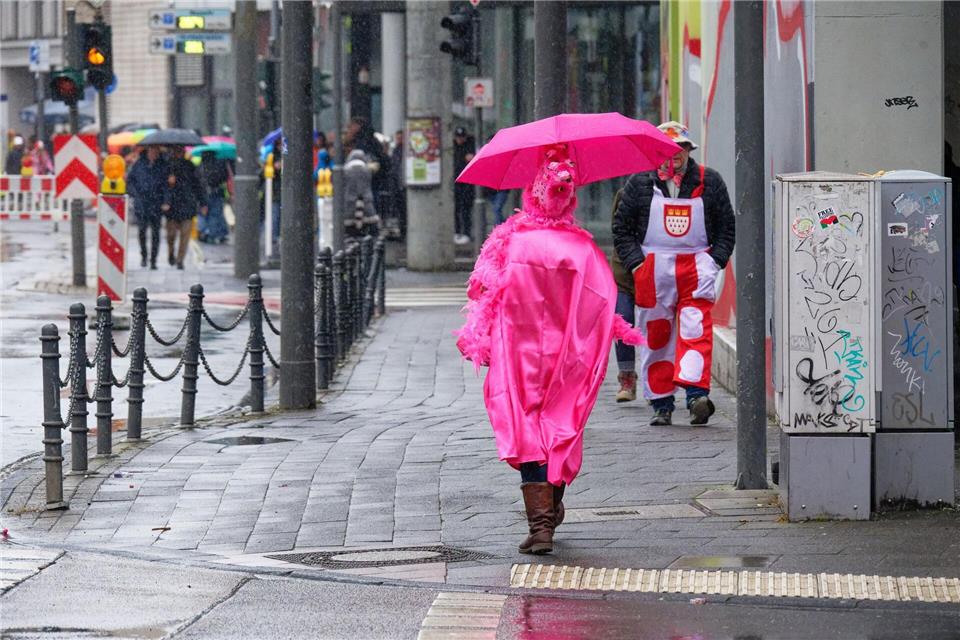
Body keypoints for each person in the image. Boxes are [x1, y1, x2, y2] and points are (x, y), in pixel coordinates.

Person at [456, 144, 644, 555]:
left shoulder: (510, 245)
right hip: (568, 359)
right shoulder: (582, 250)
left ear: (530, 194)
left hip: (517, 359)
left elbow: (482, 294)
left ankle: (541, 526)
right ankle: (551, 506)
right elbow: (603, 304)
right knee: (560, 428)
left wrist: (480, 340)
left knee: (526, 431)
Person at [613, 121, 735, 426]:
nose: (674, 155)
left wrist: (713, 262)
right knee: (656, 335)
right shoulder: (639, 183)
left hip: (696, 267)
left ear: (688, 151)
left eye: (680, 148)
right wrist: (638, 265)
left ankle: (697, 397)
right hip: (653, 270)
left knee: (696, 331)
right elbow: (622, 229)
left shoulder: (711, 181)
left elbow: (726, 229)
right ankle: (661, 403)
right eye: (667, 149)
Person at [608, 189, 638, 401]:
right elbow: (617, 230)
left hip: (658, 269)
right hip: (624, 271)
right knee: (623, 319)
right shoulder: (625, 193)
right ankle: (626, 376)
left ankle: (660, 386)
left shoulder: (667, 193)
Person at [160, 145, 206, 270]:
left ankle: (180, 260)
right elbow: (160, 187)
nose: (179, 153)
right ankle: (171, 253)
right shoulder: (167, 167)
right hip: (172, 207)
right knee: (171, 235)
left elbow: (198, 186)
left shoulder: (190, 166)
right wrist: (168, 184)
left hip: (187, 205)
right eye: (177, 151)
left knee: (185, 236)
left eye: (181, 151)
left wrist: (203, 203)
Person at [127, 146, 168, 269]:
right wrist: (135, 194)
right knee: (142, 231)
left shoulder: (162, 166)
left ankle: (153, 260)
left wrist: (166, 201)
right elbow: (130, 182)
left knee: (156, 233)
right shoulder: (139, 164)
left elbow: (166, 186)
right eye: (152, 151)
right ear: (148, 151)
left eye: (156, 152)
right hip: (142, 203)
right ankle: (144, 256)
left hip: (156, 204)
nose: (154, 153)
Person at [343, 148, 378, 237]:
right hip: (366, 205)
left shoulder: (345, 171)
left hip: (349, 205)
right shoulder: (367, 170)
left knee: (350, 234)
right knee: (368, 235)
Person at [198, 150, 230, 244]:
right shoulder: (219, 164)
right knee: (214, 214)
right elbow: (225, 177)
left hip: (202, 193)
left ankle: (203, 232)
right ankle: (212, 234)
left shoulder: (200, 166)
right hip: (216, 193)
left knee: (202, 214)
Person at [453, 126, 476, 244]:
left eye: (462, 138)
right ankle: (457, 231)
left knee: (466, 209)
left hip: (467, 183)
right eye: (458, 137)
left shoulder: (470, 145)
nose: (459, 140)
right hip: (455, 183)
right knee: (456, 209)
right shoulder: (453, 147)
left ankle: (466, 232)